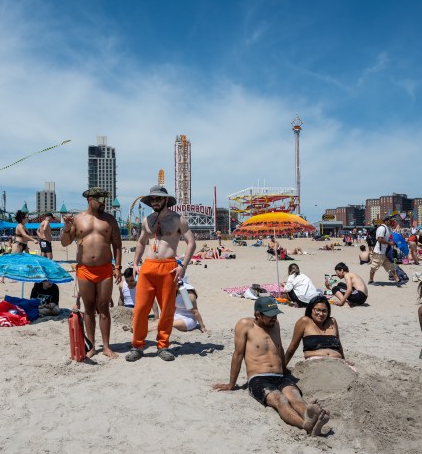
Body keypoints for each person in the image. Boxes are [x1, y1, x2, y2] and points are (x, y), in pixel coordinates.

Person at [212, 297, 330, 437]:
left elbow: (278, 348)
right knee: (280, 400)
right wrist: (231, 384)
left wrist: (286, 371)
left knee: (295, 398)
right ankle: (305, 425)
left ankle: (311, 416)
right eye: (270, 316)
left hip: (280, 376)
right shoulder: (245, 325)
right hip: (259, 379)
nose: (274, 318)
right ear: (258, 314)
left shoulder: (275, 324)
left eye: (275, 314)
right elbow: (237, 355)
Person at [127, 185, 196, 363]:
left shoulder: (178, 219)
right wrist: (135, 263)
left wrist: (184, 266)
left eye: (158, 199)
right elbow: (141, 242)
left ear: (166, 200)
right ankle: (137, 345)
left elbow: (191, 243)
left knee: (166, 310)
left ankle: (163, 345)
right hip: (148, 267)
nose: (155, 202)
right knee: (141, 309)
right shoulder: (146, 220)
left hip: (169, 267)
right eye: (152, 199)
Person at [61, 187, 122, 359]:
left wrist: (117, 267)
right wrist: (67, 228)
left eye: (104, 199)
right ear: (89, 199)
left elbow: (117, 244)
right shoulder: (78, 219)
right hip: (85, 269)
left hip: (104, 269)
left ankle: (107, 346)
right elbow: (65, 243)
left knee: (104, 308)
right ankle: (92, 346)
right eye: (99, 199)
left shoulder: (110, 220)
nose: (103, 202)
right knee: (88, 308)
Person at [284, 296, 345, 365]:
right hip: (315, 364)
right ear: (311, 309)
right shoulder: (304, 321)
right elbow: (293, 346)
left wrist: (344, 362)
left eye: (324, 311)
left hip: (337, 363)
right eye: (318, 310)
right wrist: (283, 366)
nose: (321, 314)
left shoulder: (332, 322)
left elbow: (339, 346)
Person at [368, 217, 400, 284]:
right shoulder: (382, 228)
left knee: (391, 265)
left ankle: (397, 279)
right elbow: (380, 239)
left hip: (386, 251)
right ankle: (371, 279)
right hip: (379, 252)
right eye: (390, 221)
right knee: (374, 266)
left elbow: (394, 228)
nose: (391, 222)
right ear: (386, 221)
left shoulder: (388, 228)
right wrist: (389, 243)